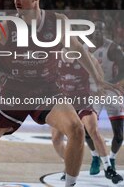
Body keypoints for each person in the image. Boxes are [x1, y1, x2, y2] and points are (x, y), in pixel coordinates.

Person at [0, 0, 113, 187]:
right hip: (13, 95)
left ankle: (70, 185)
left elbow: (79, 50)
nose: (16, 1)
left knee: (76, 129)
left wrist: (98, 79)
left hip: (47, 92)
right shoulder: (6, 27)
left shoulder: (57, 22)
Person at [51, 50, 123, 184]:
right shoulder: (54, 56)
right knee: (56, 139)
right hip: (63, 101)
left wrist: (100, 86)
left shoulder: (85, 56)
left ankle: (109, 169)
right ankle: (69, 164)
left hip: (83, 99)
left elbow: (97, 70)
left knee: (93, 130)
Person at [85, 20, 124, 174]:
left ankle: (112, 158)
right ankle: (95, 157)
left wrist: (112, 84)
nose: (97, 34)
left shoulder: (113, 48)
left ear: (105, 32)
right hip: (92, 92)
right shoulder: (84, 48)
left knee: (119, 134)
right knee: (88, 130)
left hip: (110, 91)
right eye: (95, 32)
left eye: (100, 31)